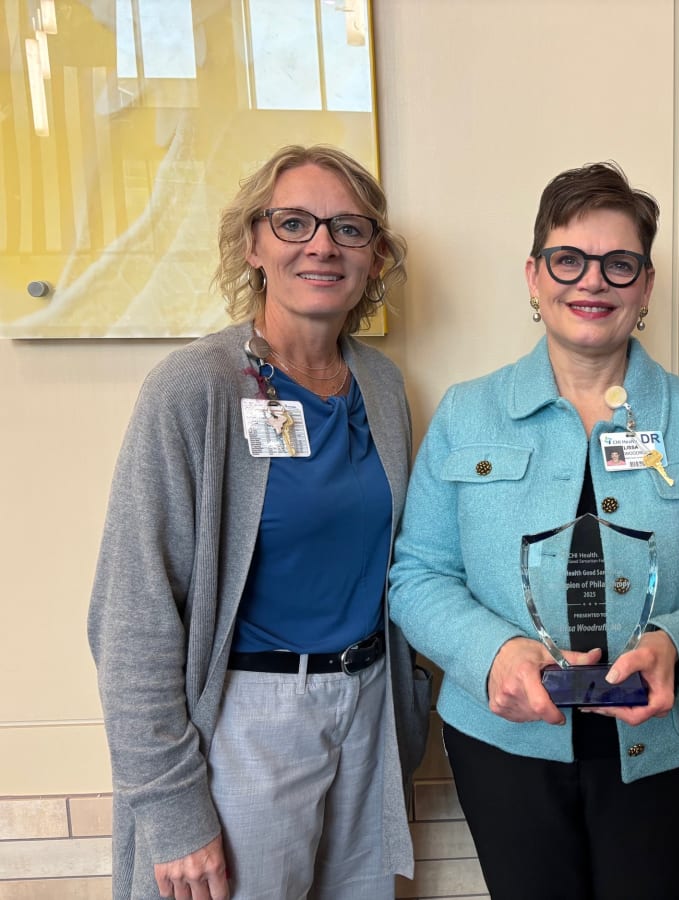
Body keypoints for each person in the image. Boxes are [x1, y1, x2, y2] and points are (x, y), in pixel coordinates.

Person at [389, 162, 679, 900]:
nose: (592, 283)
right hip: (504, 746)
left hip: (667, 749)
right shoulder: (468, 413)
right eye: (569, 260)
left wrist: (678, 647)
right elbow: (418, 575)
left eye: (618, 264)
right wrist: (494, 653)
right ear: (534, 277)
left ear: (646, 286)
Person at [88, 145, 431, 900]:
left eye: (349, 228)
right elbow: (132, 615)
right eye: (293, 222)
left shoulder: (380, 384)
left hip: (365, 711)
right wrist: (175, 811)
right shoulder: (195, 388)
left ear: (375, 258)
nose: (321, 244)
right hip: (244, 725)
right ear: (253, 245)